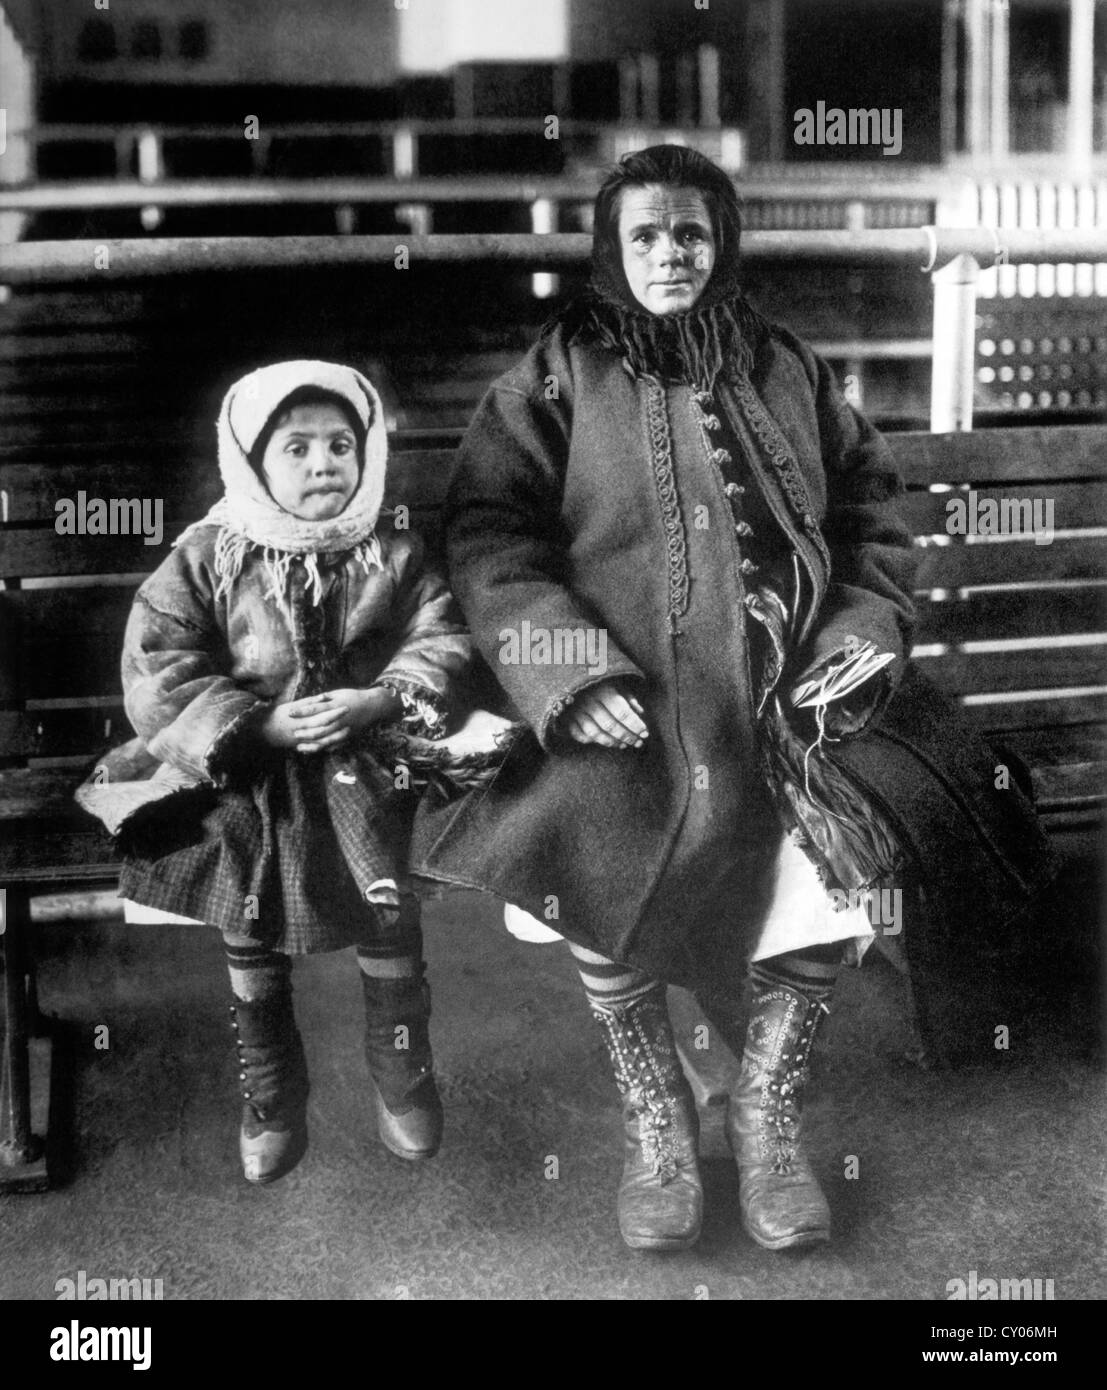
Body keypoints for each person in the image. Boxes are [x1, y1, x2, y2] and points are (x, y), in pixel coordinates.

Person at [412, 146, 1058, 1253]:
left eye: (694, 234)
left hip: (793, 692)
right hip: (628, 695)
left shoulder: (784, 361)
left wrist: (863, 630)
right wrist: (567, 670)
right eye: (648, 235)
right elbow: (486, 532)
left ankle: (764, 1116)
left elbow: (872, 511)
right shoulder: (559, 372)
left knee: (844, 847)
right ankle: (657, 1115)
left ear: (725, 244)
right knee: (591, 831)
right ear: (613, 250)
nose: (672, 254)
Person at [77, 360, 470, 1184]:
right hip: (244, 765)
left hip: (368, 753)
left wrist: (380, 700)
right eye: (295, 448)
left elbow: (443, 636)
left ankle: (402, 1070)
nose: (323, 463)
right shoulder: (208, 555)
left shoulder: (392, 552)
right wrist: (257, 723)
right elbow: (160, 664)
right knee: (243, 884)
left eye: (340, 445)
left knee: (387, 887)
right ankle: (269, 1087)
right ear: (251, 462)